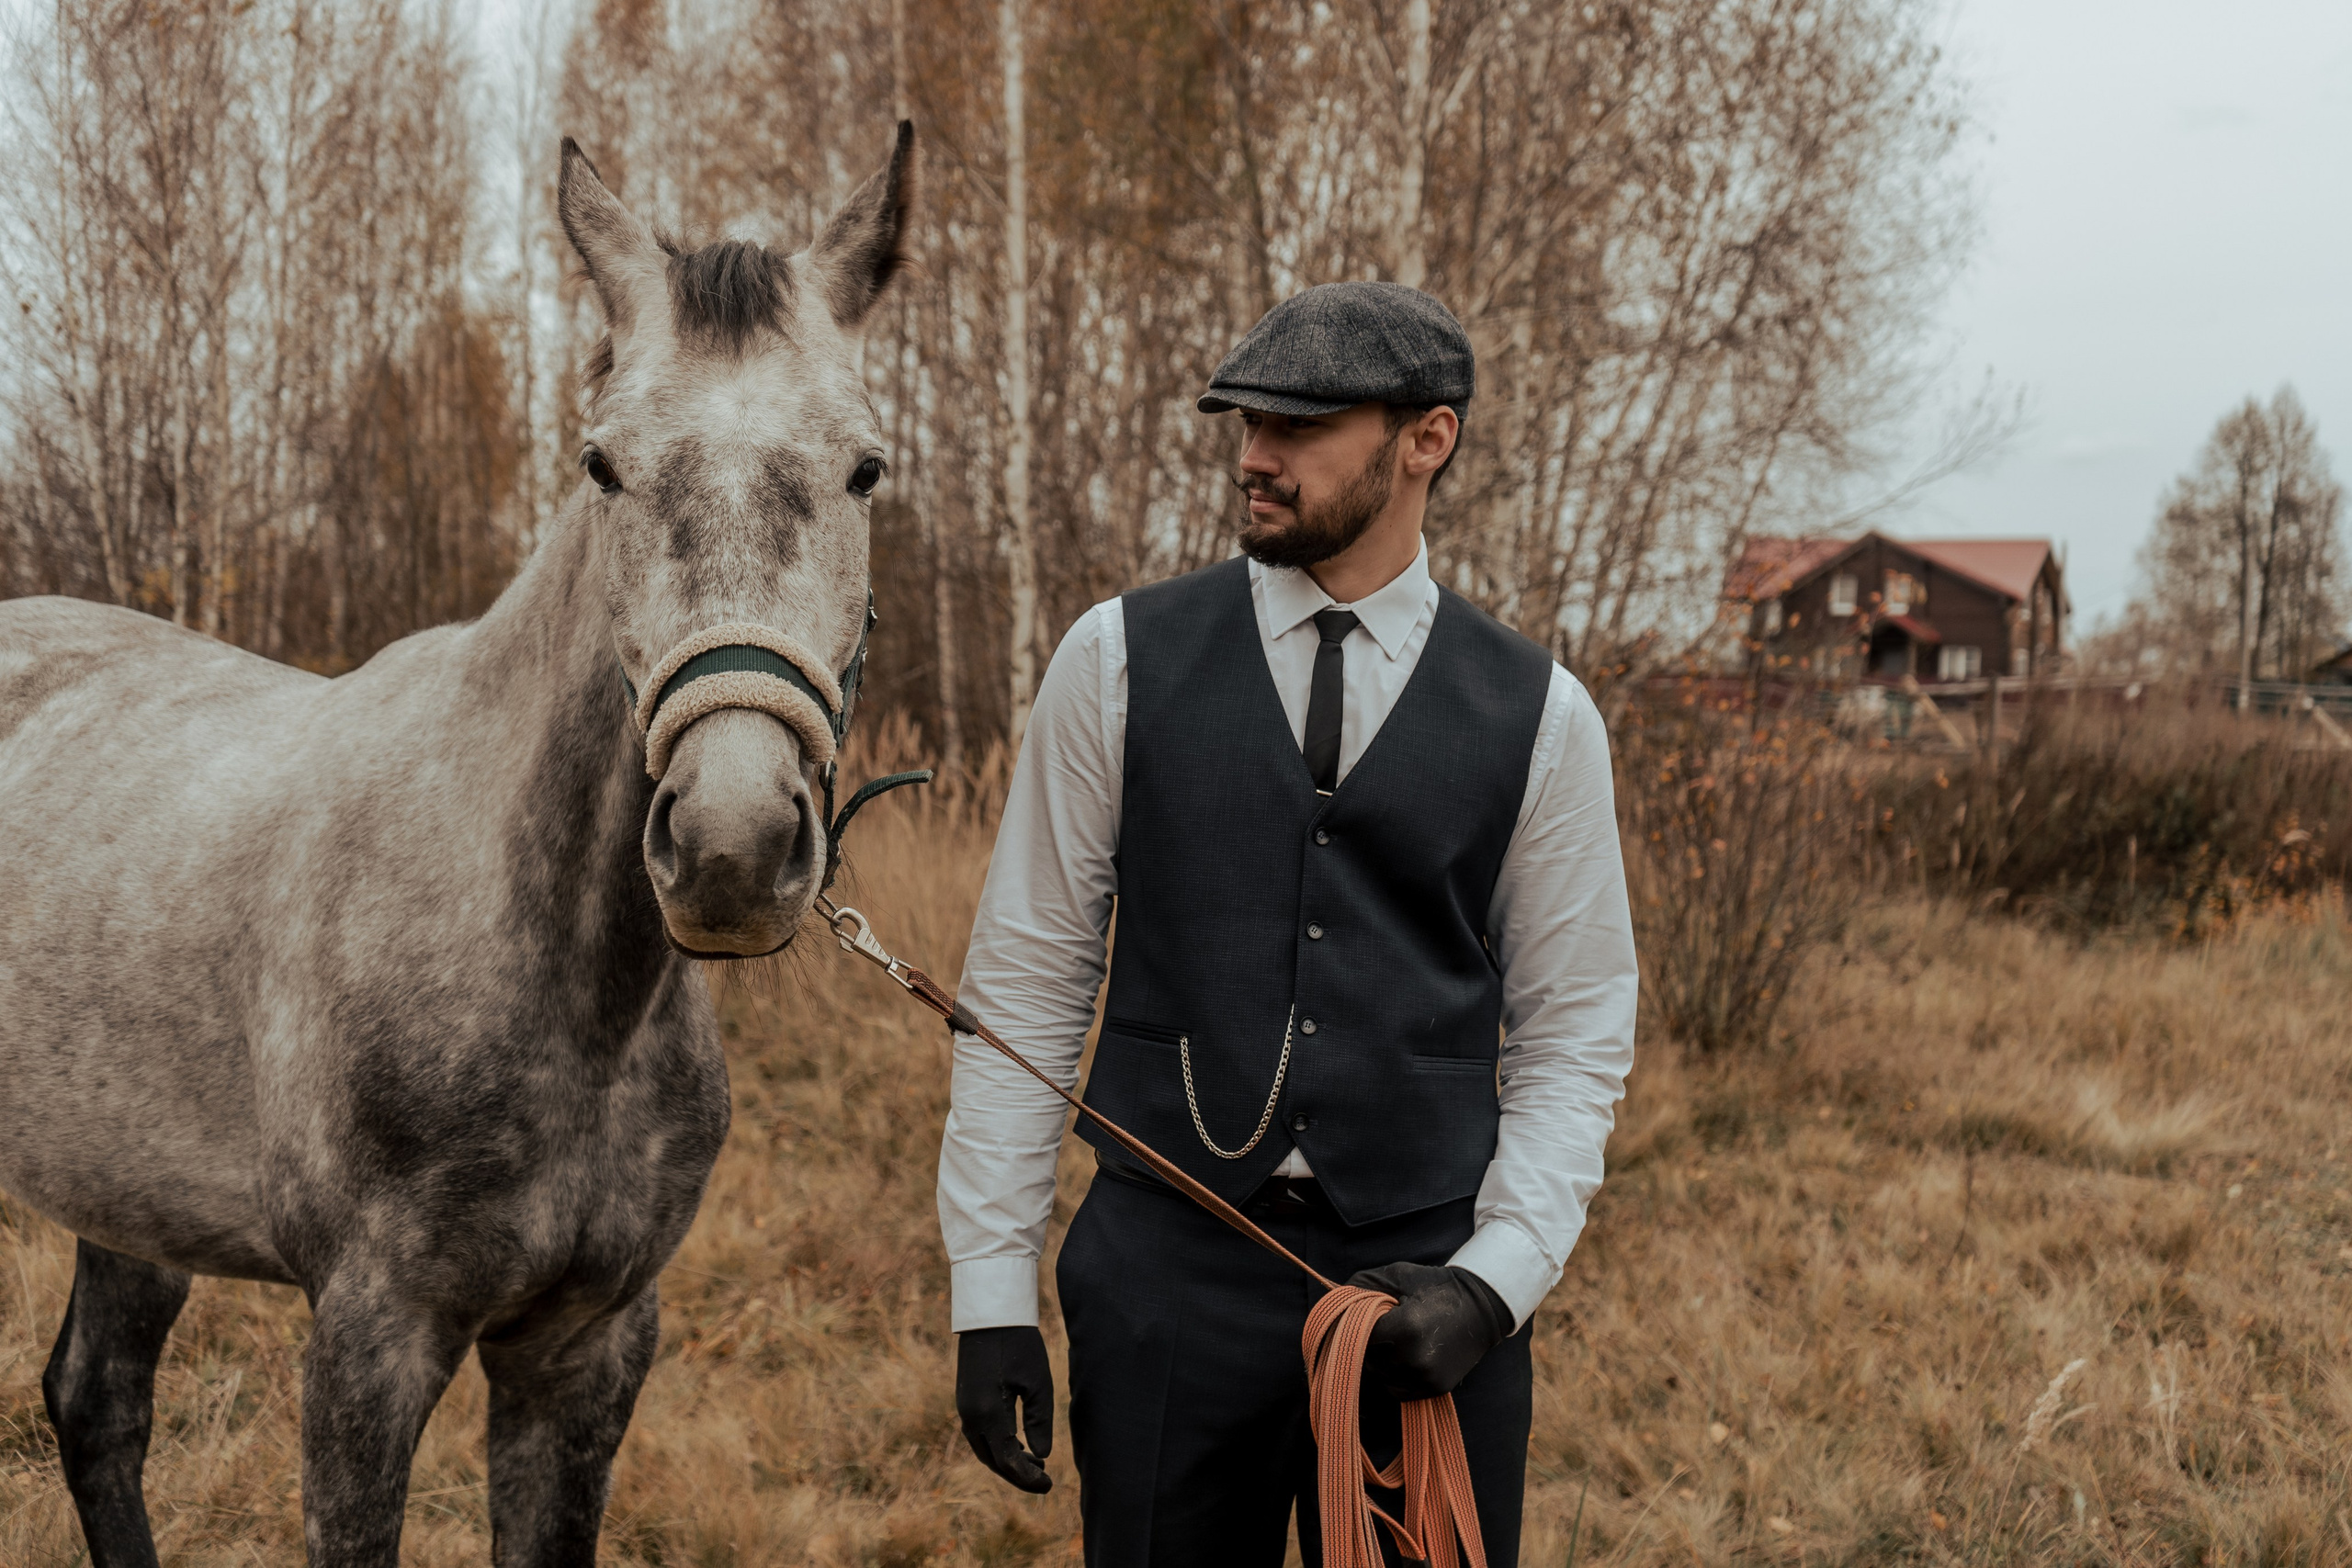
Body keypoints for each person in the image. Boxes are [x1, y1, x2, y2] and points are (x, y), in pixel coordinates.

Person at [935, 280, 1638, 1565]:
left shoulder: (1543, 717)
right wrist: (990, 1295)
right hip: (1164, 1279)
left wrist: (1495, 1286)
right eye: (1245, 420)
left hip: (1426, 1284)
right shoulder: (1115, 662)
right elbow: (1027, 983)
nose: (1255, 456)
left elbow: (1577, 1034)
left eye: (1301, 428)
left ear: (1428, 438)